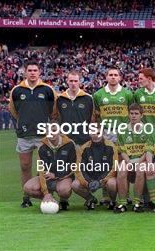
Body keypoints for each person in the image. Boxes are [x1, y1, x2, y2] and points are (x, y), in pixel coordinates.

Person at [9, 61, 57, 208]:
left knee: (45, 167)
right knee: (25, 166)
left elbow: (53, 111)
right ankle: (26, 197)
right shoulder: (17, 90)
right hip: (24, 134)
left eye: (35, 70)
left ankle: (48, 194)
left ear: (39, 72)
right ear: (25, 72)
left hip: (43, 134)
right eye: (29, 70)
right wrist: (24, 122)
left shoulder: (47, 89)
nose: (32, 73)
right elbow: (14, 110)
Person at [23, 122, 75, 210]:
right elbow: (41, 170)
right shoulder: (42, 147)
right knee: (28, 188)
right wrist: (46, 193)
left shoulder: (69, 144)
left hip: (63, 177)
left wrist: (57, 175)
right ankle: (51, 200)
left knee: (64, 190)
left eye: (54, 130)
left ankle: (63, 200)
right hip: (47, 177)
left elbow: (73, 166)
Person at [114, 103, 151, 213]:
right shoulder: (122, 129)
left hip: (142, 159)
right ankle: (122, 203)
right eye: (131, 114)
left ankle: (137, 202)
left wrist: (139, 161)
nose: (134, 116)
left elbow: (148, 150)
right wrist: (129, 162)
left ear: (141, 115)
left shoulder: (148, 129)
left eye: (136, 114)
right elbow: (122, 150)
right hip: (128, 159)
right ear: (128, 115)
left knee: (140, 171)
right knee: (121, 171)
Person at [72, 128, 118, 210]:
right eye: (93, 133)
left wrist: (100, 181)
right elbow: (79, 169)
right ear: (89, 134)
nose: (96, 135)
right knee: (75, 185)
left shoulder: (111, 146)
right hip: (90, 179)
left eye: (98, 133)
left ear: (103, 133)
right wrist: (88, 182)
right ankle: (91, 199)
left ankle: (113, 201)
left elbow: (114, 167)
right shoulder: (83, 148)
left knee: (112, 183)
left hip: (104, 178)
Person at [92, 67, 134, 143]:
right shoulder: (98, 95)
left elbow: (132, 113)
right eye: (110, 75)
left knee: (123, 154)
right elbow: (96, 115)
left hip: (123, 130)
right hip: (105, 131)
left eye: (115, 75)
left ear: (120, 78)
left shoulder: (128, 94)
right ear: (106, 77)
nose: (113, 77)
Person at [56, 70, 94, 147]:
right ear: (67, 81)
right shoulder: (60, 99)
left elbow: (92, 119)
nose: (73, 83)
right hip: (65, 140)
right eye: (71, 81)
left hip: (84, 140)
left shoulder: (88, 98)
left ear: (80, 82)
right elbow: (57, 118)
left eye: (76, 81)